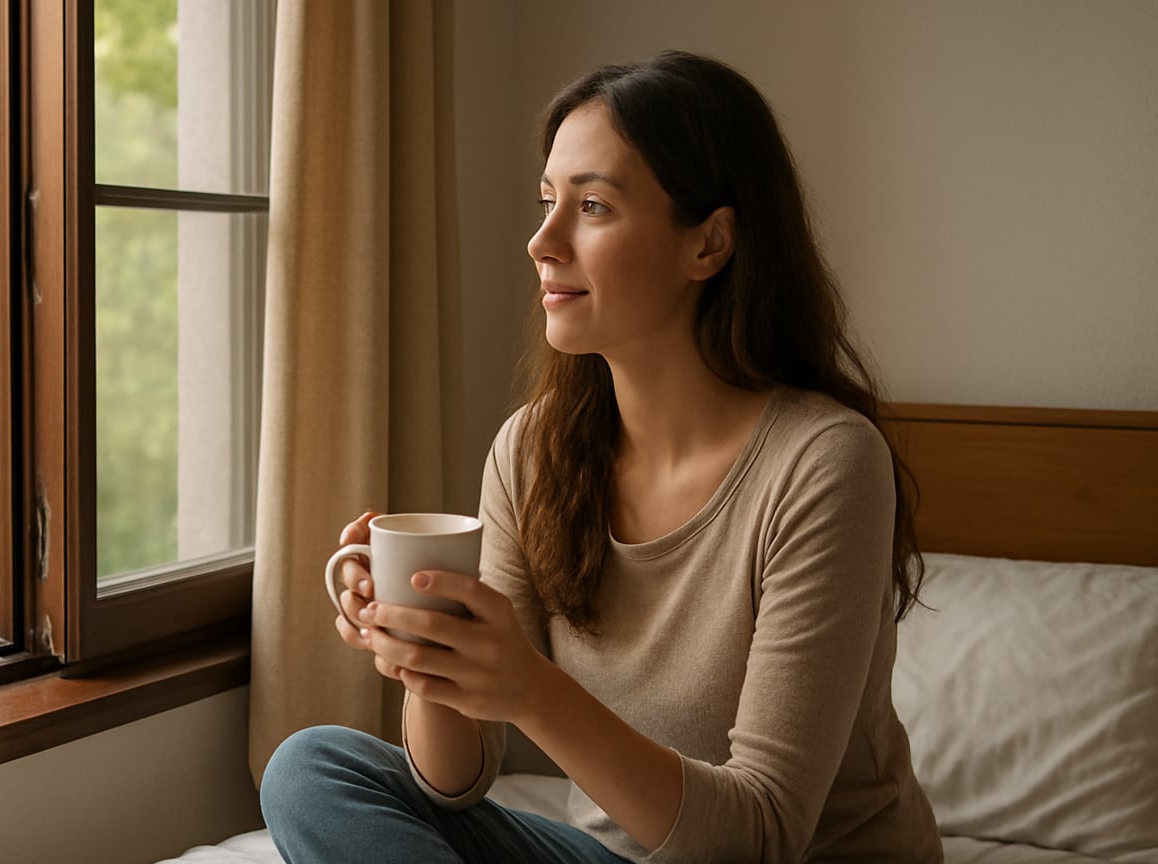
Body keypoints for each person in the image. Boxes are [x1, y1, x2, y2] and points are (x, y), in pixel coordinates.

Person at [260, 50, 943, 863]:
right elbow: (458, 780)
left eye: (591, 205)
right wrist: (430, 660)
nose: (542, 242)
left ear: (710, 243)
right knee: (311, 769)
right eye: (547, 201)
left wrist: (531, 690)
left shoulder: (824, 463)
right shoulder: (534, 450)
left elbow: (761, 837)